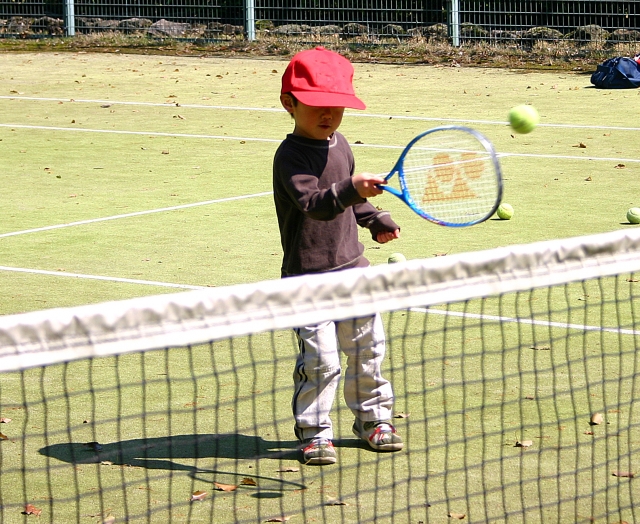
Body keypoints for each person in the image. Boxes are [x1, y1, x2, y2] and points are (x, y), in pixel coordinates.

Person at [272, 46, 404, 465]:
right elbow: (316, 201)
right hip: (308, 278)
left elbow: (348, 197)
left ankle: (374, 420)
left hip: (354, 273)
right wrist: (352, 190)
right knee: (321, 360)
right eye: (317, 106)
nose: (328, 115)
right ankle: (314, 432)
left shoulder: (340, 143)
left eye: (337, 107)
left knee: (369, 350)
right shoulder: (289, 157)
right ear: (289, 103)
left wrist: (374, 217)